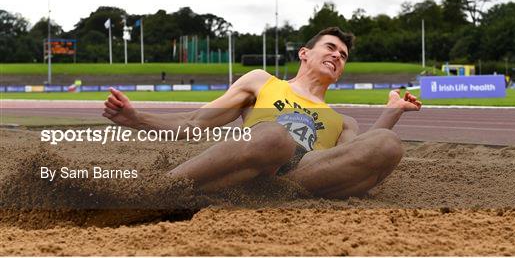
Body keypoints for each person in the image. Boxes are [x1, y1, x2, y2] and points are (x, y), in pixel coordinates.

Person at [103, 27, 422, 198]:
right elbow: (195, 122)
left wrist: (392, 112)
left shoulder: (343, 121)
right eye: (330, 48)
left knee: (388, 143)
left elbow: (353, 157)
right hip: (256, 159)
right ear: (304, 54)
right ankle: (157, 191)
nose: (337, 56)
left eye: (343, 55)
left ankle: (282, 197)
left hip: (296, 181)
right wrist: (136, 118)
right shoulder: (261, 82)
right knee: (274, 135)